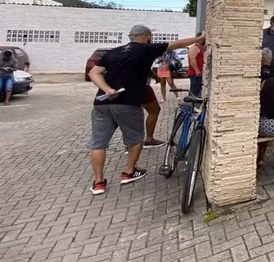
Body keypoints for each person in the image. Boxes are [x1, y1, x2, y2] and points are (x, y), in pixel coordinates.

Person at [87, 25, 204, 195]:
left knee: (98, 143)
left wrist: (107, 90)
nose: (151, 39)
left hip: (101, 104)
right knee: (135, 139)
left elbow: (94, 73)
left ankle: (98, 183)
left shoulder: (113, 52)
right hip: (128, 103)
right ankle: (129, 172)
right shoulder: (146, 49)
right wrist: (199, 39)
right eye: (150, 37)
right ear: (145, 36)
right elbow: (176, 44)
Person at [141, 69, 166, 148]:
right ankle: (149, 139)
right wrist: (156, 77)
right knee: (154, 110)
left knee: (131, 114)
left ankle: (130, 144)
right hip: (141, 86)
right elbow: (145, 66)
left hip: (124, 86)